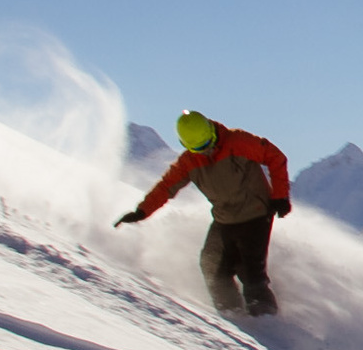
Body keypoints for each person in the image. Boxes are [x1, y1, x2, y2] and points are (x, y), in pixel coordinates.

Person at [117, 110, 292, 316]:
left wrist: (280, 196)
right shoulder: (190, 161)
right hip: (224, 218)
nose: (207, 151)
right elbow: (166, 186)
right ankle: (232, 316)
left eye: (209, 144)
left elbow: (276, 157)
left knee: (250, 273)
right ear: (187, 146)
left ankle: (266, 322)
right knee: (212, 266)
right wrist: (142, 211)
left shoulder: (238, 142)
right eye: (199, 148)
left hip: (256, 214)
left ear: (212, 131)